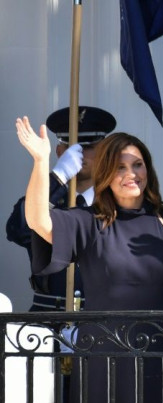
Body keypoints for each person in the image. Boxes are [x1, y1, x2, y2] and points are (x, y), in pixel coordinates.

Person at [16, 119, 163, 403]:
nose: (131, 174)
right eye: (120, 167)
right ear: (106, 173)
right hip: (104, 361)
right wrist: (41, 163)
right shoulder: (89, 222)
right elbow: (37, 220)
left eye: (138, 165)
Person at [6, 106, 116, 312]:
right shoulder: (44, 199)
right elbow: (18, 230)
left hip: (100, 322)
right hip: (48, 318)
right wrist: (57, 178)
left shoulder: (116, 203)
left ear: (104, 151)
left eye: (89, 146)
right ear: (59, 151)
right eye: (71, 146)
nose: (80, 153)